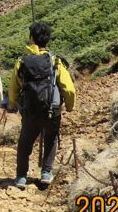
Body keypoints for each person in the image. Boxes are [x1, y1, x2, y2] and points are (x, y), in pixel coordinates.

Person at [8, 20, 76, 187]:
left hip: (30, 111)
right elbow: (69, 89)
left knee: (25, 142)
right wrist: (69, 106)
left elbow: (13, 88)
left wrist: (13, 103)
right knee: (51, 139)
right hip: (52, 110)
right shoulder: (55, 62)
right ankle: (46, 173)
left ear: (31, 38)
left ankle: (21, 177)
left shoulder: (22, 62)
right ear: (47, 39)